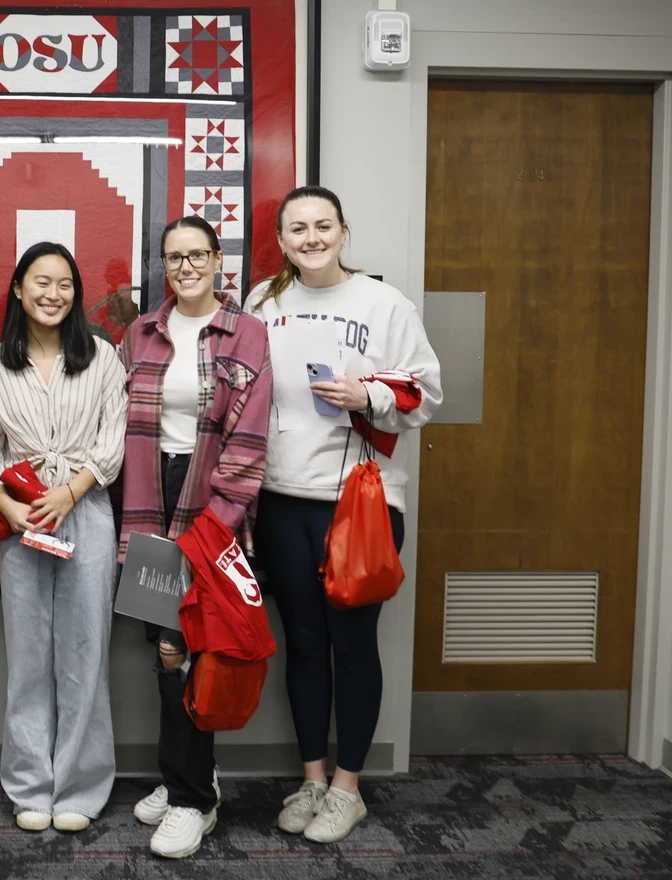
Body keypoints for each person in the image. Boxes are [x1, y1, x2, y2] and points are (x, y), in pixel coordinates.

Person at [246, 185, 441, 844]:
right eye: (297, 228)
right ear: (281, 239)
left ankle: (348, 789)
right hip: (281, 500)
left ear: (343, 230)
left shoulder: (384, 303)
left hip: (363, 504)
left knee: (354, 647)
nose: (311, 237)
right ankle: (311, 777)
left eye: (322, 225)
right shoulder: (262, 303)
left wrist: (369, 392)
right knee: (303, 644)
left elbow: (427, 394)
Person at [119, 216, 273, 859]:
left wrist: (216, 526)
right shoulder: (140, 334)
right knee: (163, 644)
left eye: (197, 256)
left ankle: (192, 801)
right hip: (150, 500)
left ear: (218, 261)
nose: (185, 268)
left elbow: (250, 439)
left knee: (189, 648)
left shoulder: (248, 333)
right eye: (173, 258)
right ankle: (190, 774)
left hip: (211, 508)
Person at [0, 243, 127, 833]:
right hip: (21, 519)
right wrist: (7, 505)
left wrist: (71, 491)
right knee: (29, 655)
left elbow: (112, 440)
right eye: (41, 282)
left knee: (87, 652)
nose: (53, 293)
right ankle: (31, 785)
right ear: (17, 289)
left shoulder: (104, 358)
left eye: (65, 283)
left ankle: (81, 787)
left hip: (84, 511)